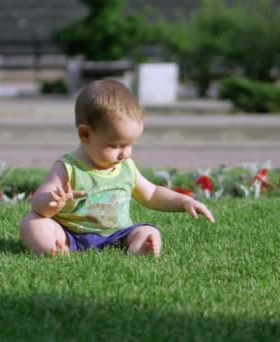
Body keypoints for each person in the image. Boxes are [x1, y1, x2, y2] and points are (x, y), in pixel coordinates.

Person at [19, 79, 215, 257]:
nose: (126, 153)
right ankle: (54, 249)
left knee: (149, 231)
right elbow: (37, 204)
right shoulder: (68, 167)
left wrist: (183, 202)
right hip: (71, 233)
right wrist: (53, 202)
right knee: (31, 223)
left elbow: (152, 193)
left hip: (118, 235)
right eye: (116, 145)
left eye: (130, 145)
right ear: (85, 134)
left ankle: (139, 247)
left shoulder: (126, 167)